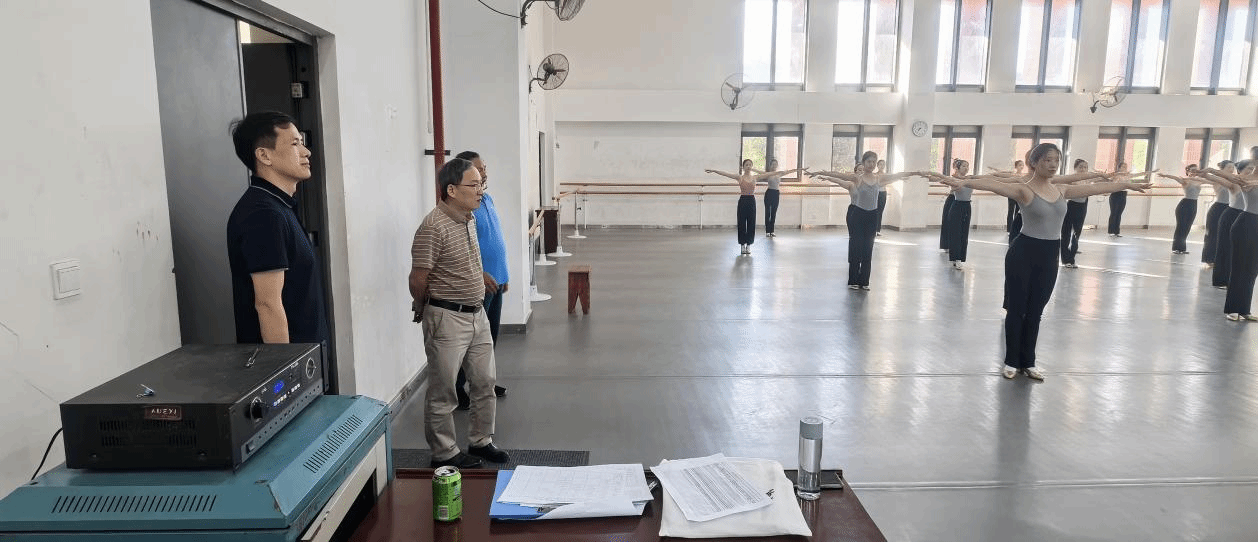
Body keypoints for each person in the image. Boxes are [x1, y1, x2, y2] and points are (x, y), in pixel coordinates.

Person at [937, 143, 1151, 381]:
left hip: (1049, 254)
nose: (1053, 165)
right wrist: (964, 182)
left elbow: (1096, 188)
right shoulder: (1024, 189)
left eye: (1056, 160)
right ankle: (1011, 361)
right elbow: (995, 184)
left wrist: (1125, 184)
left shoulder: (1061, 189)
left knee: (1036, 311)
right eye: (1047, 160)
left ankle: (1028, 361)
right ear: (1035, 163)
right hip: (1023, 252)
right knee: (1017, 309)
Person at [409, 158, 510, 469]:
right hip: (447, 317)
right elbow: (419, 277)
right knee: (444, 391)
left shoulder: (469, 219)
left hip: (476, 314)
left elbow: (468, 260)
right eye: (474, 185)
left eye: (481, 184)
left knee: (485, 381)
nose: (480, 190)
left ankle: (481, 440)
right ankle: (444, 451)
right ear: (451, 190)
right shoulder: (433, 226)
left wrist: (479, 278)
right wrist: (424, 307)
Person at [226, 111, 329, 346]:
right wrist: (287, 367)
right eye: (295, 144)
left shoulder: (279, 206)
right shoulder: (263, 214)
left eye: (302, 143)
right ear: (264, 155)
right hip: (288, 363)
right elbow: (268, 304)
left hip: (307, 357)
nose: (306, 152)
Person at [809, 151, 924, 290]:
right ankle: (853, 280)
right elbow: (839, 175)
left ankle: (864, 282)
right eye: (869, 161)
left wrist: (915, 172)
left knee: (868, 249)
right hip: (858, 215)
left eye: (874, 162)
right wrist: (821, 173)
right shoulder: (857, 178)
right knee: (856, 246)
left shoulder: (879, 178)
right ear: (864, 163)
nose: (871, 164)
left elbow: (897, 175)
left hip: (872, 216)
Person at [452, 151, 508, 411]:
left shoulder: (487, 199)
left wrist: (504, 274)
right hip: (478, 283)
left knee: (489, 338)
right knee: (472, 340)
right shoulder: (463, 208)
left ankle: (483, 383)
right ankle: (457, 387)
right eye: (478, 170)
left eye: (484, 168)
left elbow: (496, 238)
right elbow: (463, 248)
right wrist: (480, 275)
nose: (483, 174)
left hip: (496, 280)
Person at [704, 160, 804, 254]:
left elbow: (774, 173)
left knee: (751, 223)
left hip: (751, 201)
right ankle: (742, 245)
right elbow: (726, 174)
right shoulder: (739, 177)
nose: (748, 166)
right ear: (743, 167)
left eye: (750, 165)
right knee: (742, 223)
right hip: (743, 200)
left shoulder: (755, 177)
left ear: (751, 166)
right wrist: (714, 170)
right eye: (746, 165)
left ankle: (748, 245)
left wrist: (796, 170)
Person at [1199, 163, 1258, 313]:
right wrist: (1211, 171)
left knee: (1252, 270)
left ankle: (1244, 310)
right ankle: (1233, 309)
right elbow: (1228, 177)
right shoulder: (1244, 180)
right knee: (1238, 266)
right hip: (1246, 222)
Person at [1159, 165, 1204, 254]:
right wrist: (1165, 175)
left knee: (1187, 227)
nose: (1194, 172)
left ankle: (1182, 248)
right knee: (1181, 227)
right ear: (1188, 172)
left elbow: (1211, 181)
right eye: (1192, 170)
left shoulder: (1199, 181)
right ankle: (1176, 248)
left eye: (1196, 170)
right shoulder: (1185, 180)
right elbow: (1175, 178)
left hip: (1194, 205)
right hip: (1184, 205)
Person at [1060, 159, 1093, 268]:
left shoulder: (1088, 180)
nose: (1083, 169)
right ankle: (1065, 259)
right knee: (1066, 233)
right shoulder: (1072, 179)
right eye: (1081, 167)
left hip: (1082, 207)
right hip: (1071, 206)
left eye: (1085, 167)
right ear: (1075, 168)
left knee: (1077, 233)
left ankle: (1072, 258)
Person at [1107, 161, 1131, 237]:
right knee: (1114, 213)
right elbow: (1113, 184)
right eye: (1123, 167)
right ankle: (1111, 231)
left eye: (1126, 167)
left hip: (1123, 194)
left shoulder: (1127, 176)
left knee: (1119, 214)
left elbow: (1129, 184)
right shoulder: (1116, 175)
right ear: (1119, 168)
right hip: (1115, 194)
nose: (1125, 168)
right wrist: (1117, 178)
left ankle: (1117, 232)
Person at [1006, 160, 1026, 234]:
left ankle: (1016, 228)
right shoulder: (1013, 175)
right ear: (1016, 167)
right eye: (1020, 165)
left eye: (1022, 165)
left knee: (1018, 212)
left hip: (1019, 196)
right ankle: (1009, 230)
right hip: (1011, 195)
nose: (1021, 166)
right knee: (1010, 211)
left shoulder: (1024, 176)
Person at [875, 159, 888, 235]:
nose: (882, 166)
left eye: (883, 164)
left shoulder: (886, 175)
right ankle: (872, 229)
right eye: (880, 164)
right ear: (877, 166)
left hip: (883, 194)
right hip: (876, 193)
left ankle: (878, 230)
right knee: (874, 211)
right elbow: (878, 183)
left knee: (880, 212)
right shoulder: (875, 175)